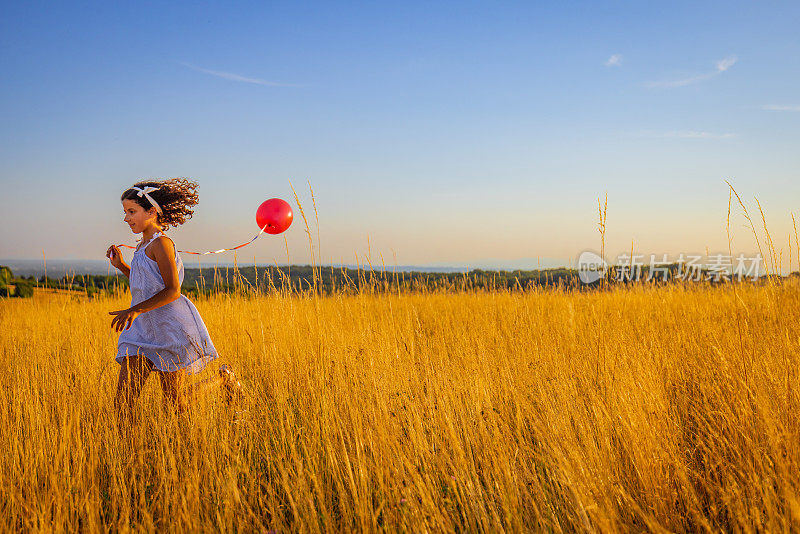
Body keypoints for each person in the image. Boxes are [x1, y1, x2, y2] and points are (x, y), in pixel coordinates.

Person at [106, 178, 243, 420]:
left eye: (131, 211)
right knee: (123, 404)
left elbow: (172, 290)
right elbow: (147, 283)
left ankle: (223, 379)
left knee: (177, 405)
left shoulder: (162, 244)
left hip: (169, 329)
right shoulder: (142, 246)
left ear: (152, 211)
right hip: (142, 332)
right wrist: (122, 266)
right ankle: (127, 454)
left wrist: (134, 310)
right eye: (125, 212)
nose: (126, 218)